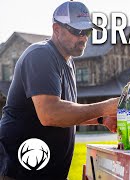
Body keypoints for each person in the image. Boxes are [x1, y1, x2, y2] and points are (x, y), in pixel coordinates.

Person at [0, 1, 118, 179]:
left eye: (87, 31)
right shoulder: (40, 55)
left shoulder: (67, 62)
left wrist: (102, 119)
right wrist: (107, 106)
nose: (84, 37)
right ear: (56, 29)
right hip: (19, 171)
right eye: (77, 31)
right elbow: (50, 114)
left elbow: (66, 112)